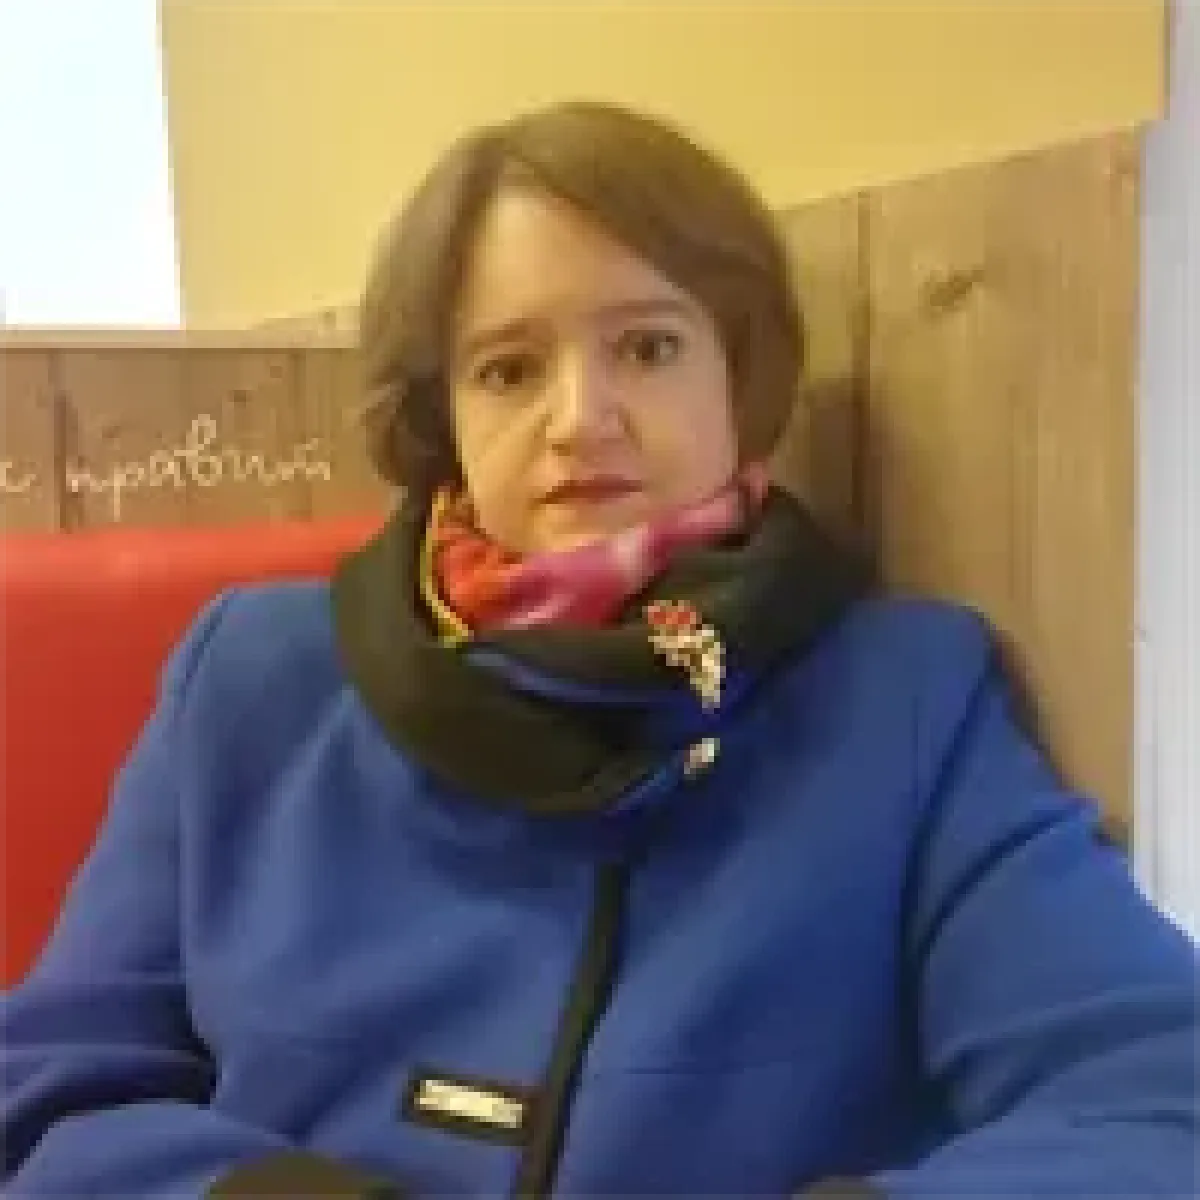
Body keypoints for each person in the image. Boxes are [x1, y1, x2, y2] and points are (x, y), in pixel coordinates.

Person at [1, 101, 1199, 1200]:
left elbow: (1153, 1092)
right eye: (509, 368)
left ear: (739, 375)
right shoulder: (252, 680)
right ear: (445, 415)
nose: (581, 418)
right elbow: (50, 1092)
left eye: (649, 347)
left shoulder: (907, 700)